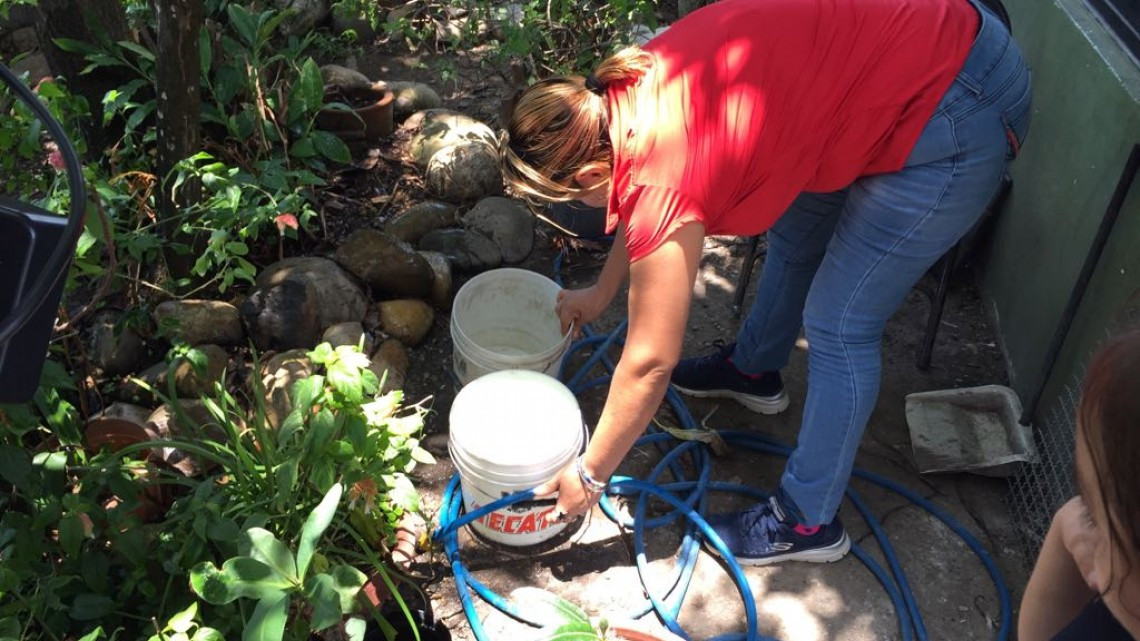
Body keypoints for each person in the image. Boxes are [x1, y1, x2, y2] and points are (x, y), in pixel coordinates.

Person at [505, 0, 1032, 565]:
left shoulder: (663, 172)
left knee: (839, 322)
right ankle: (754, 371)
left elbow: (650, 362)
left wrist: (589, 475)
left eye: (575, 197)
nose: (586, 206)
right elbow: (635, 201)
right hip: (892, 60)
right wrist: (603, 292)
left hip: (959, 101)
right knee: (798, 232)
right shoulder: (628, 83)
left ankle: (807, 523)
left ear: (589, 173)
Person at [1018, 329, 1140, 640]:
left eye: (1097, 519)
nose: (1096, 576)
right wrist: (1063, 532)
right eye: (1090, 512)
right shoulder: (1119, 617)